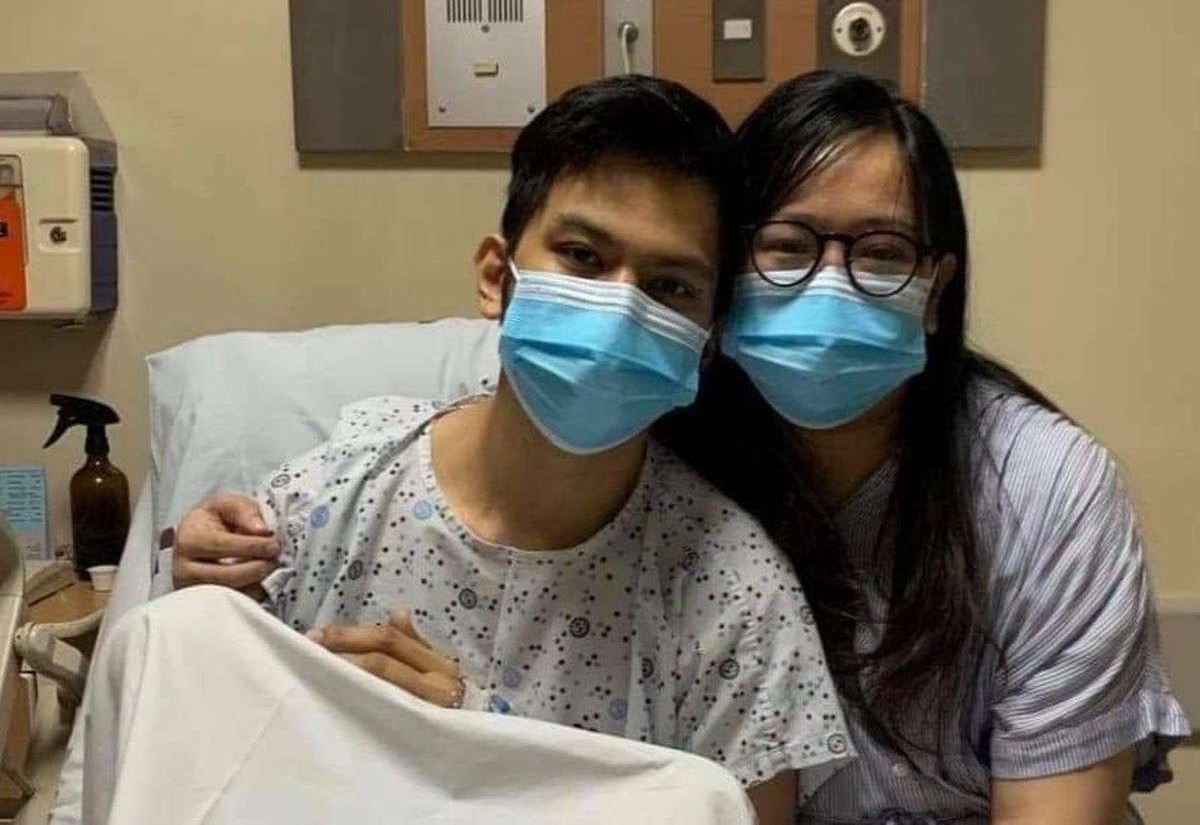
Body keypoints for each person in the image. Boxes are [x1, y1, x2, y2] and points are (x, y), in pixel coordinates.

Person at [139, 76, 851, 822]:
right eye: (582, 256)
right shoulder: (331, 502)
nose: (619, 308)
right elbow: (198, 753)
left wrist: (476, 751)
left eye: (670, 286)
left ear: (707, 341)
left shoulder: (734, 598)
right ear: (494, 277)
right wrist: (204, 591)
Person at [657, 70, 1192, 823]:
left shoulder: (1044, 488)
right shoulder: (662, 473)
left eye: (882, 253)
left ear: (935, 291)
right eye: (785, 246)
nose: (831, 285)